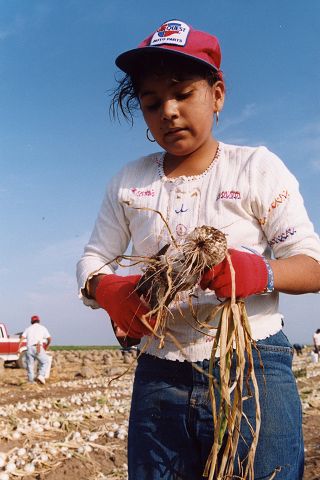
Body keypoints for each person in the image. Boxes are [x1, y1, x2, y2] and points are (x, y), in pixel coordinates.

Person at [77, 19, 320, 479]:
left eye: (183, 94)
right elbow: (93, 260)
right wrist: (107, 290)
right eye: (152, 103)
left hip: (251, 369)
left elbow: (312, 264)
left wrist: (261, 273)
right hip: (159, 372)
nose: (168, 111)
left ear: (218, 95)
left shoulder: (256, 168)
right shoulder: (130, 182)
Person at [18, 315, 51, 385]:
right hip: (38, 347)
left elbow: (22, 338)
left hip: (29, 348)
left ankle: (31, 382)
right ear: (38, 321)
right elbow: (49, 338)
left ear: (31, 321)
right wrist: (47, 345)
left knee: (30, 365)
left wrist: (18, 348)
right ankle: (41, 375)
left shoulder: (28, 328)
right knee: (45, 361)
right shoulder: (42, 328)